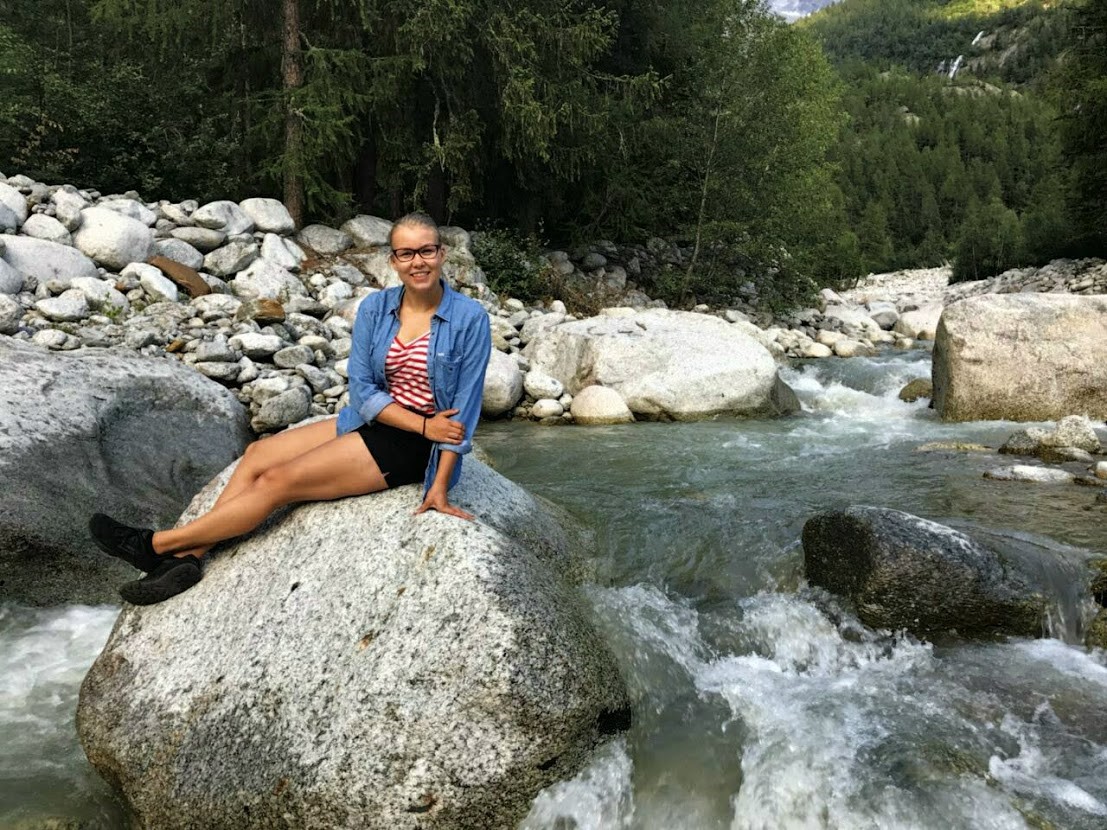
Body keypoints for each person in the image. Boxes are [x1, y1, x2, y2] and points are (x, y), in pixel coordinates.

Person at [89, 212, 492, 605]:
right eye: (406, 253)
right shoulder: (376, 308)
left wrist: (438, 486)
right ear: (393, 260)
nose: (417, 262)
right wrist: (419, 425)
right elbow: (364, 390)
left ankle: (153, 545)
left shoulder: (469, 319)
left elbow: (465, 410)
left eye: (426, 251)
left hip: (416, 446)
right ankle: (189, 558)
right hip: (376, 420)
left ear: (441, 254)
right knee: (257, 454)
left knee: (277, 482)